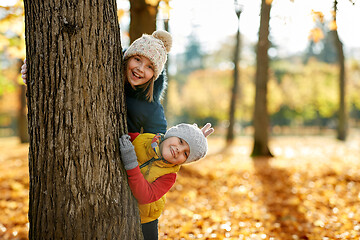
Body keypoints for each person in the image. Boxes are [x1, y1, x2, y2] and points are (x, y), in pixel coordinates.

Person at [21, 30, 172, 134]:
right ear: (127, 58)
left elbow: (156, 145)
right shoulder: (104, 73)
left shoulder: (151, 107)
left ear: (154, 75)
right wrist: (38, 72)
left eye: (149, 67)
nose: (140, 68)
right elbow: (69, 73)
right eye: (137, 59)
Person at [119, 123, 214, 240]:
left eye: (185, 153)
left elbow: (145, 196)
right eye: (181, 141)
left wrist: (130, 162)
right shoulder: (144, 139)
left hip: (145, 219)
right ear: (171, 134)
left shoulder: (169, 176)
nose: (179, 149)